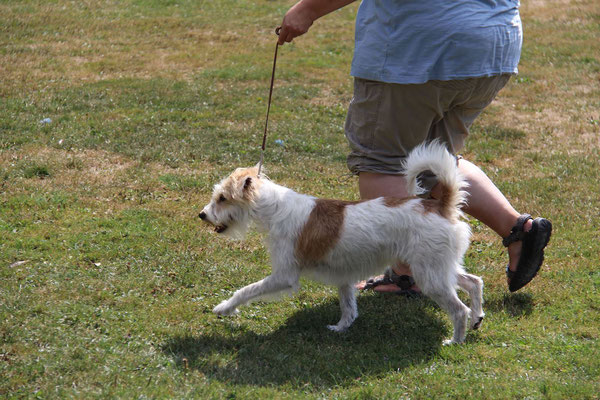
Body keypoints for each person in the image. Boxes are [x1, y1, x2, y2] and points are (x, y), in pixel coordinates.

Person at [277, 0, 552, 294]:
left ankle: (408, 275)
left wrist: (308, 9)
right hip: (493, 41)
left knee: (383, 162)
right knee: (436, 162)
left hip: (419, 48)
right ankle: (518, 230)